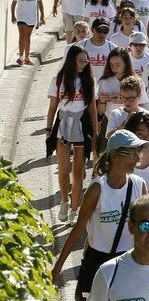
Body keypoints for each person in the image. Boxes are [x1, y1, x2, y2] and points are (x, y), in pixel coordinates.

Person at [51, 129, 148, 297]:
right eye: (132, 153)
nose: (138, 158)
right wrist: (58, 267)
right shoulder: (97, 189)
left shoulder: (139, 185)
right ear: (115, 155)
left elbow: (148, 227)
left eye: (138, 152)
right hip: (99, 263)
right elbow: (78, 229)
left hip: (130, 262)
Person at [46, 44, 97, 224]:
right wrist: (47, 130)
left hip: (81, 126)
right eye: (81, 59)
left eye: (86, 60)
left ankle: (75, 210)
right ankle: (65, 201)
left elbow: (92, 108)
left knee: (78, 170)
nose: (84, 63)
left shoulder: (89, 80)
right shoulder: (58, 79)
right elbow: (53, 107)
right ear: (72, 60)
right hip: (62, 126)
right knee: (63, 168)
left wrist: (95, 134)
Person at [11, 0, 45, 65]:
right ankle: (21, 57)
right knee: (22, 35)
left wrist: (42, 15)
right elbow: (13, 3)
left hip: (32, 16)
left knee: (28, 36)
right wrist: (13, 15)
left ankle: (27, 57)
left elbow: (40, 3)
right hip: (21, 16)